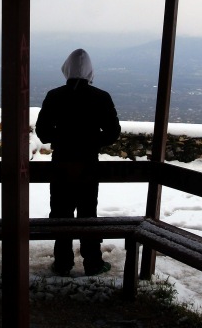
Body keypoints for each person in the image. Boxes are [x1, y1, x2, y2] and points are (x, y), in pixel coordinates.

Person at [35, 48, 121, 276]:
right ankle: (92, 262)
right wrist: (91, 141)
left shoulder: (55, 96)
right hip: (88, 166)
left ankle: (63, 263)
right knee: (87, 213)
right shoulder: (101, 97)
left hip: (61, 164)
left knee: (60, 212)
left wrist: (62, 138)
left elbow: (43, 132)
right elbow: (113, 132)